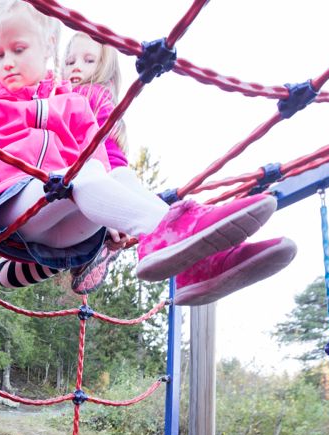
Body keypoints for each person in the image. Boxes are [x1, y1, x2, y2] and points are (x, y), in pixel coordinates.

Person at [0, 0, 283, 302]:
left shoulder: (73, 106)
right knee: (77, 175)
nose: (7, 61)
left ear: (49, 45)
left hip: (63, 221)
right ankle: (168, 229)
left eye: (19, 50)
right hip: (9, 208)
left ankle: (203, 265)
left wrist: (110, 213)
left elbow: (96, 158)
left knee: (118, 173)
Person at [63, 29, 298, 306]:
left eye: (88, 60)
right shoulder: (60, 100)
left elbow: (114, 164)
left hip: (94, 193)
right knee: (115, 177)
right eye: (69, 61)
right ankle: (176, 237)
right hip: (65, 185)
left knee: (124, 177)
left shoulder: (100, 105)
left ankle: (199, 265)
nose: (76, 66)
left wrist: (114, 211)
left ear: (106, 71)